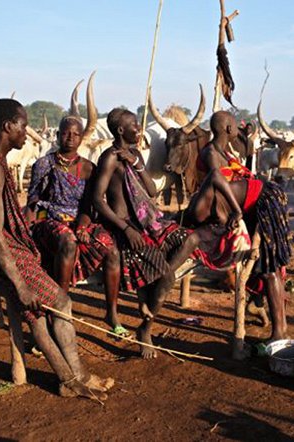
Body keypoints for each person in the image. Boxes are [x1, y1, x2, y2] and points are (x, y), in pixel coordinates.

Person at [0, 99, 113, 399]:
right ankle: (77, 376)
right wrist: (20, 283)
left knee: (37, 314)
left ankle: (69, 380)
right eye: (23, 126)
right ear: (8, 127)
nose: (26, 133)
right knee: (60, 302)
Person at [92, 108, 199, 359]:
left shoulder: (135, 154)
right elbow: (97, 200)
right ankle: (146, 328)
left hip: (150, 221)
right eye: (134, 126)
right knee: (166, 277)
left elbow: (151, 191)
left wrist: (138, 164)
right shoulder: (109, 158)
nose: (138, 130)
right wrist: (126, 229)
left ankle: (154, 288)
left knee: (191, 239)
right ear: (120, 130)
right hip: (127, 228)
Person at [189, 110, 291, 344]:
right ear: (227, 129)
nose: (237, 128)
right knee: (270, 269)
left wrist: (237, 210)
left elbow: (225, 182)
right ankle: (280, 330)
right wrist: (236, 210)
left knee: (270, 269)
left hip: (262, 201)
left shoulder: (223, 152)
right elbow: (218, 179)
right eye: (234, 125)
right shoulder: (211, 153)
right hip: (258, 202)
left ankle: (279, 332)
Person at [24, 115, 127, 337]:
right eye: (65, 132)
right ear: (58, 134)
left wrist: (81, 227)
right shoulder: (44, 165)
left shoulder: (90, 168)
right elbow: (33, 201)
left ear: (81, 138)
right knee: (68, 242)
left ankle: (112, 312)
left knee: (111, 249)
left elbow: (89, 207)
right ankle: (61, 310)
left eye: (75, 134)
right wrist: (27, 225)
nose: (70, 137)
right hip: (49, 219)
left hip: (81, 220)